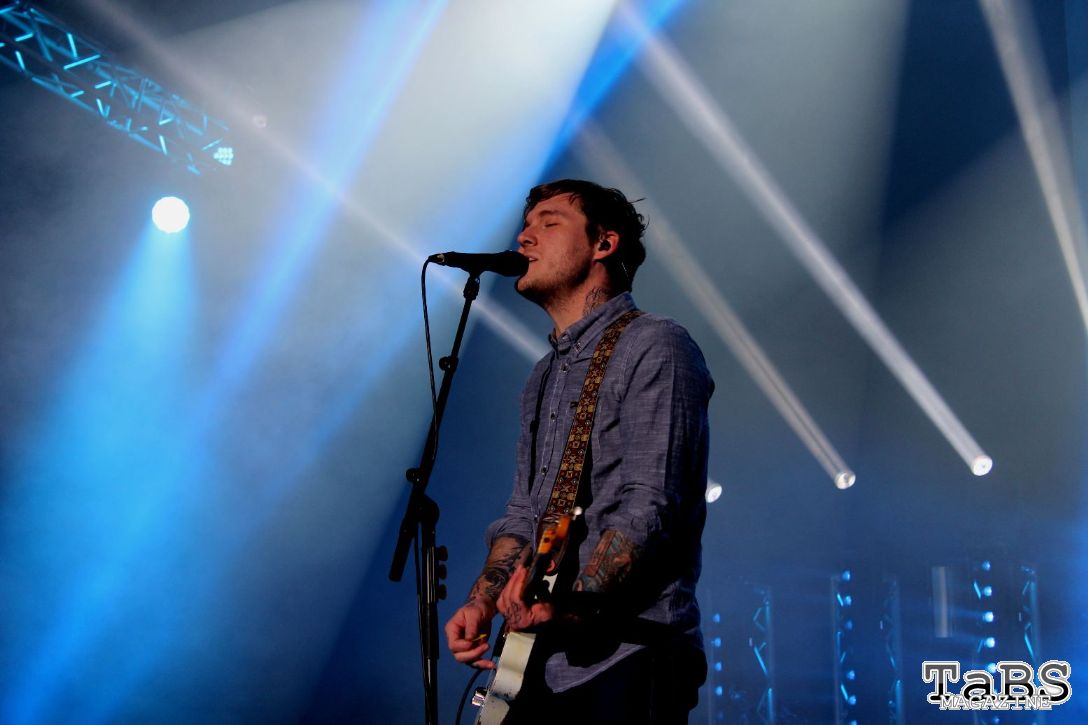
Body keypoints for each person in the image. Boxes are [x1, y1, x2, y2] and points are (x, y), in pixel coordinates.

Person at [444, 180, 713, 723]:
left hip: (629, 653)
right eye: (526, 225)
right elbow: (523, 513)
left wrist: (573, 604)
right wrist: (482, 600)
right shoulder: (544, 375)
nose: (524, 237)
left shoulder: (656, 343)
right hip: (537, 658)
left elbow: (650, 502)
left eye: (549, 223)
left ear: (603, 244)